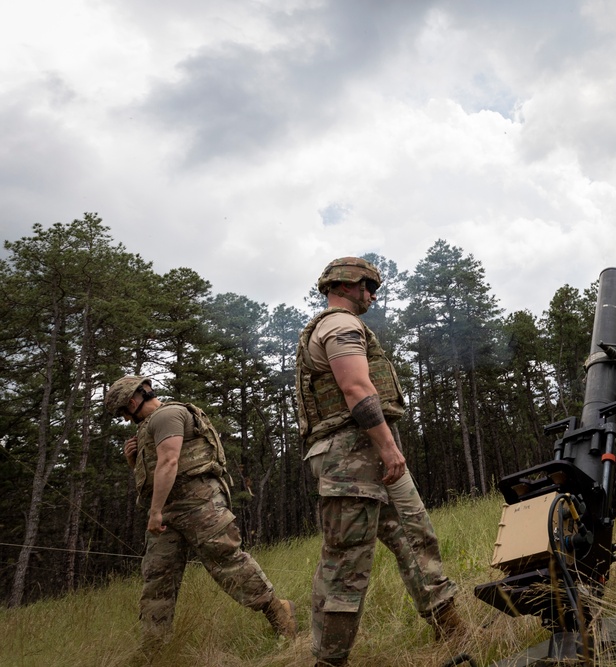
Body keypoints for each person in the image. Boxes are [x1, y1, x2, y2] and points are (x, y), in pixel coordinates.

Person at [296, 256, 466, 666]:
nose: (372, 295)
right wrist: (389, 448)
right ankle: (329, 661)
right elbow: (355, 388)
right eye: (368, 287)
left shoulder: (344, 326)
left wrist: (384, 450)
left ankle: (454, 631)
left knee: (415, 536)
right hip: (352, 459)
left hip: (367, 454)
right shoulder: (340, 325)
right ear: (347, 285)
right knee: (347, 566)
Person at [105, 376, 298, 654]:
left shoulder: (169, 415)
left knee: (228, 563)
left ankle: (279, 613)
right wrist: (133, 461)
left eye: (123, 413)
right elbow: (153, 472)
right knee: (157, 578)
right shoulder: (150, 427)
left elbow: (171, 462)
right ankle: (154, 649)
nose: (125, 420)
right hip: (169, 511)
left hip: (199, 504)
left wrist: (155, 511)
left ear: (133, 402)